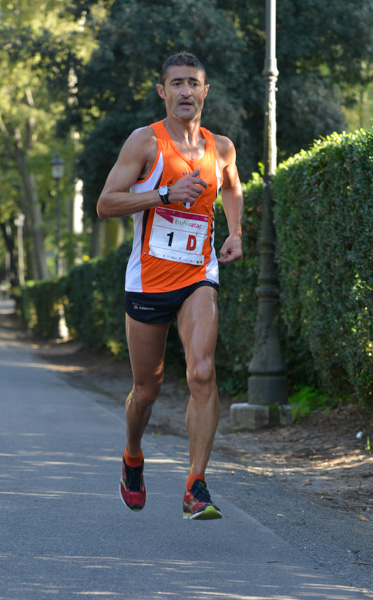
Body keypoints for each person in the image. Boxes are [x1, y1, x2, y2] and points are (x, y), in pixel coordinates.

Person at [97, 51, 243, 520]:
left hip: (197, 275)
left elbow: (232, 187)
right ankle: (132, 455)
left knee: (202, 371)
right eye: (176, 83)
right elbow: (105, 203)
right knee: (147, 391)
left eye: (193, 83)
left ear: (205, 91)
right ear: (162, 92)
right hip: (148, 281)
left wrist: (236, 232)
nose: (185, 91)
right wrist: (161, 194)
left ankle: (195, 485)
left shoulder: (220, 147)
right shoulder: (144, 143)